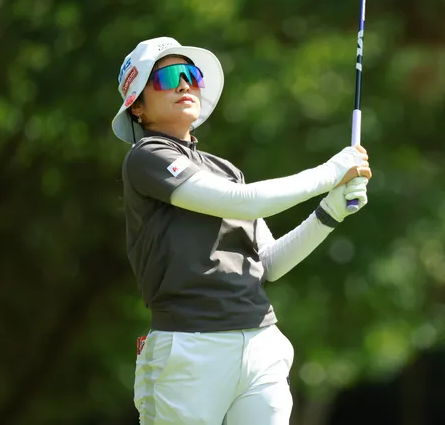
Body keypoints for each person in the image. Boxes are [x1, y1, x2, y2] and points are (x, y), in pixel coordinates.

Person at [111, 36, 372, 425]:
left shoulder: (225, 170)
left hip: (260, 342)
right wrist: (330, 173)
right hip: (190, 349)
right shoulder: (146, 157)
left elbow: (269, 264)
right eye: (167, 77)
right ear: (137, 107)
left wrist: (330, 211)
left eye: (191, 75)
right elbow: (244, 202)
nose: (184, 85)